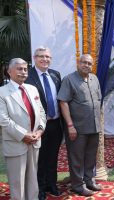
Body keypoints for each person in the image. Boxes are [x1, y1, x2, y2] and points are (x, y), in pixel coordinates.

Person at [0, 58, 46, 200]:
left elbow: (42, 113)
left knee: (33, 180)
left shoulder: (32, 89)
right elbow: (3, 120)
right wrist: (23, 135)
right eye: (19, 69)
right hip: (16, 143)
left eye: (25, 69)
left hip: (34, 141)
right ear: (9, 71)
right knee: (17, 183)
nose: (23, 72)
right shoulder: (2, 92)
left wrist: (39, 131)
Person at [57, 54, 102, 197]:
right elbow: (63, 102)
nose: (86, 65)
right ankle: (77, 185)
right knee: (76, 157)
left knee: (90, 156)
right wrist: (70, 125)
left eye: (89, 63)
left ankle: (89, 180)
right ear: (78, 63)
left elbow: (98, 99)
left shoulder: (94, 79)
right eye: (84, 62)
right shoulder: (69, 79)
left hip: (94, 126)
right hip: (77, 128)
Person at [25, 47, 63, 199]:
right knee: (39, 159)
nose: (44, 59)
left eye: (47, 56)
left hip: (56, 124)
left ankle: (52, 185)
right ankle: (40, 188)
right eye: (41, 56)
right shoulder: (28, 76)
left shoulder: (55, 75)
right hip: (37, 125)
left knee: (53, 156)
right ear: (34, 58)